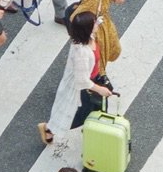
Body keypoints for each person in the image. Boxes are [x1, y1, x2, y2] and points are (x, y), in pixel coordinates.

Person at [42, 10, 112, 151]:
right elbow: (82, 81)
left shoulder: (87, 37)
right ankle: (49, 128)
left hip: (94, 78)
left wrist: (98, 20)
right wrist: (101, 89)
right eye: (94, 24)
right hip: (84, 87)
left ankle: (94, 130)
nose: (96, 25)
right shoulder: (81, 53)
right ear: (87, 29)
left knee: (98, 108)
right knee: (79, 115)